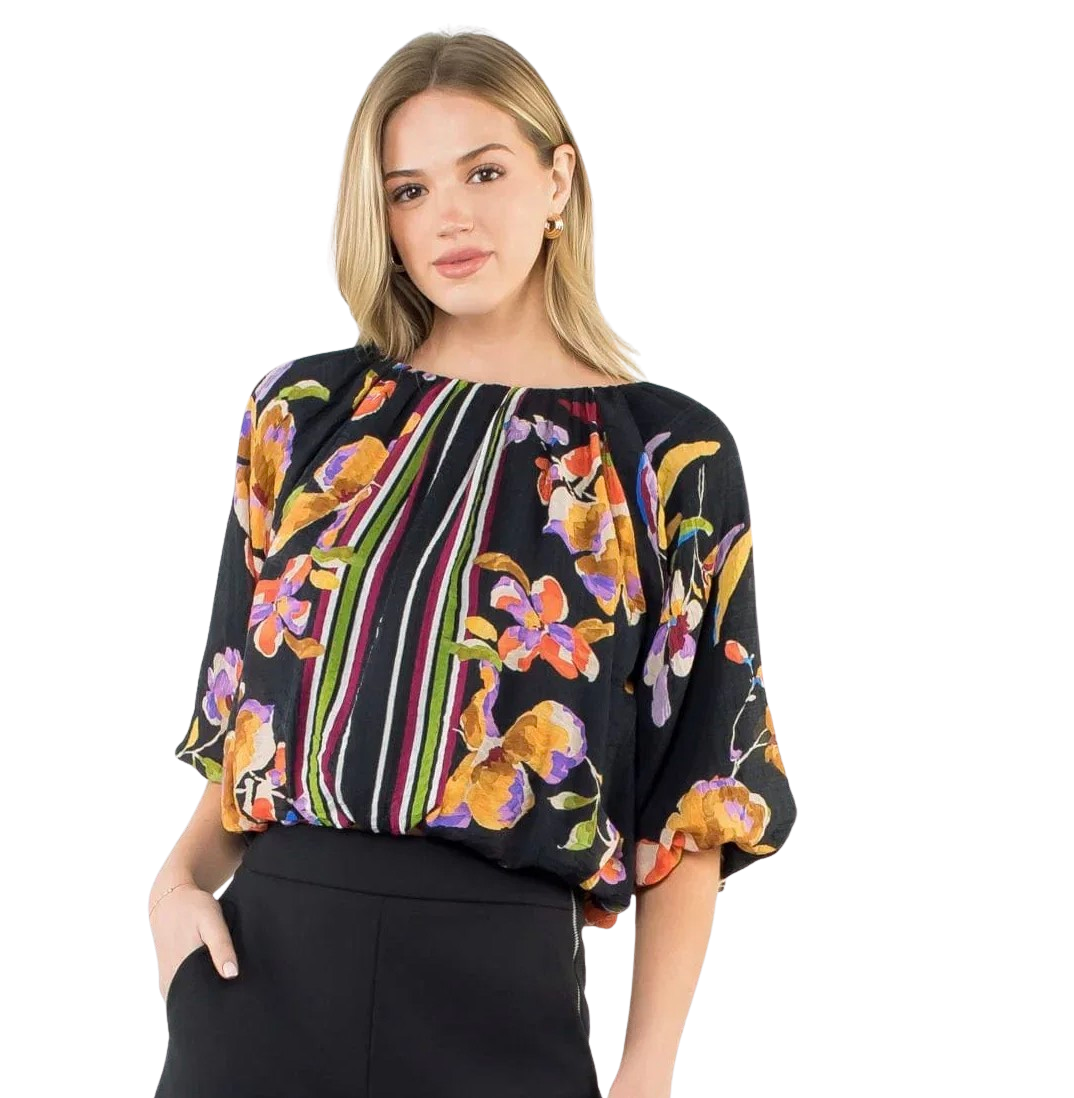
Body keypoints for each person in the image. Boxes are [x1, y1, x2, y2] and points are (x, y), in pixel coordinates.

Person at [150, 24, 797, 1098]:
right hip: (259, 982)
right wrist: (172, 891)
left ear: (559, 182)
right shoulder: (302, 414)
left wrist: (646, 1075)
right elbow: (242, 720)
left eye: (484, 172)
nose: (448, 217)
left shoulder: (668, 456)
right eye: (408, 191)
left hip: (502, 994)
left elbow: (697, 799)